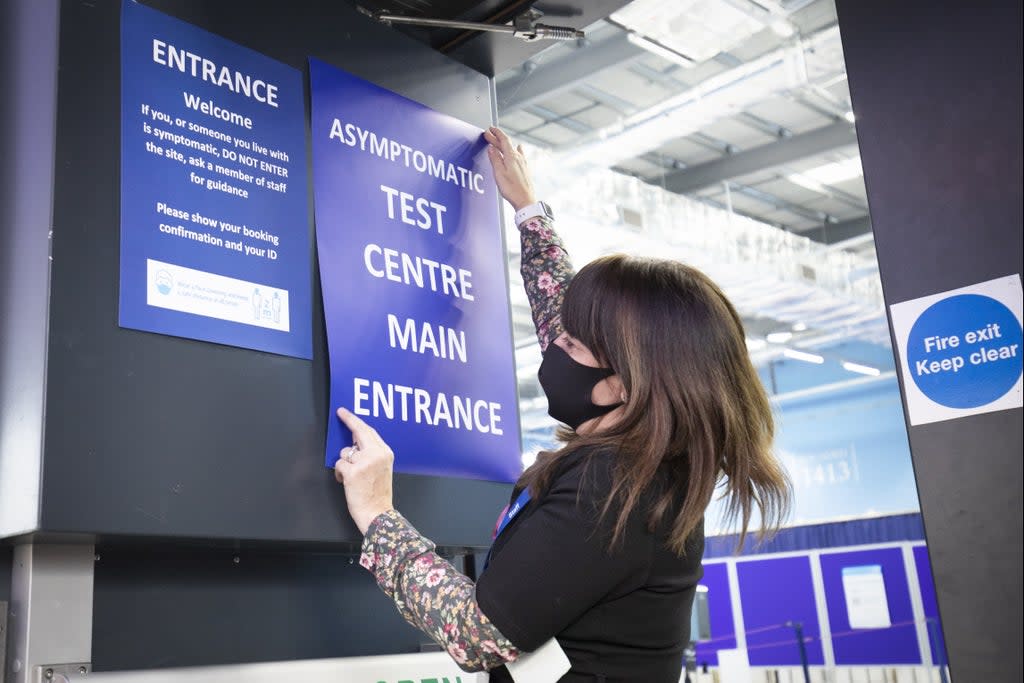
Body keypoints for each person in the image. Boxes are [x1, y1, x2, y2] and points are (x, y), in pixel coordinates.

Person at [333, 126, 791, 682]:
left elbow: (477, 632)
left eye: (572, 344)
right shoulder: (651, 465)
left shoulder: (611, 487)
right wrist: (529, 213)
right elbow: (566, 316)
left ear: (624, 383)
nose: (555, 346)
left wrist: (378, 513)